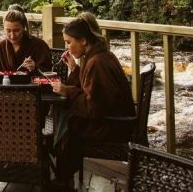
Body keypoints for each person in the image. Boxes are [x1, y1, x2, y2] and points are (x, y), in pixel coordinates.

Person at [51, 12, 136, 185]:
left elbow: (94, 106)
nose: (67, 48)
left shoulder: (96, 63)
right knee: (66, 122)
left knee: (67, 128)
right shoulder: (100, 56)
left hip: (113, 127)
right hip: (119, 121)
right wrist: (75, 69)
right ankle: (62, 175)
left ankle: (61, 179)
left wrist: (67, 92)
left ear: (83, 40)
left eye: (69, 42)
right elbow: (91, 91)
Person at [0, 4, 52, 73]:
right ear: (3, 28)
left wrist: (35, 67)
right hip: (5, 83)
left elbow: (49, 72)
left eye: (16, 31)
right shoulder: (1, 46)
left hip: (31, 83)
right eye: (8, 31)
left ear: (23, 27)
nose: (12, 36)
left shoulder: (39, 45)